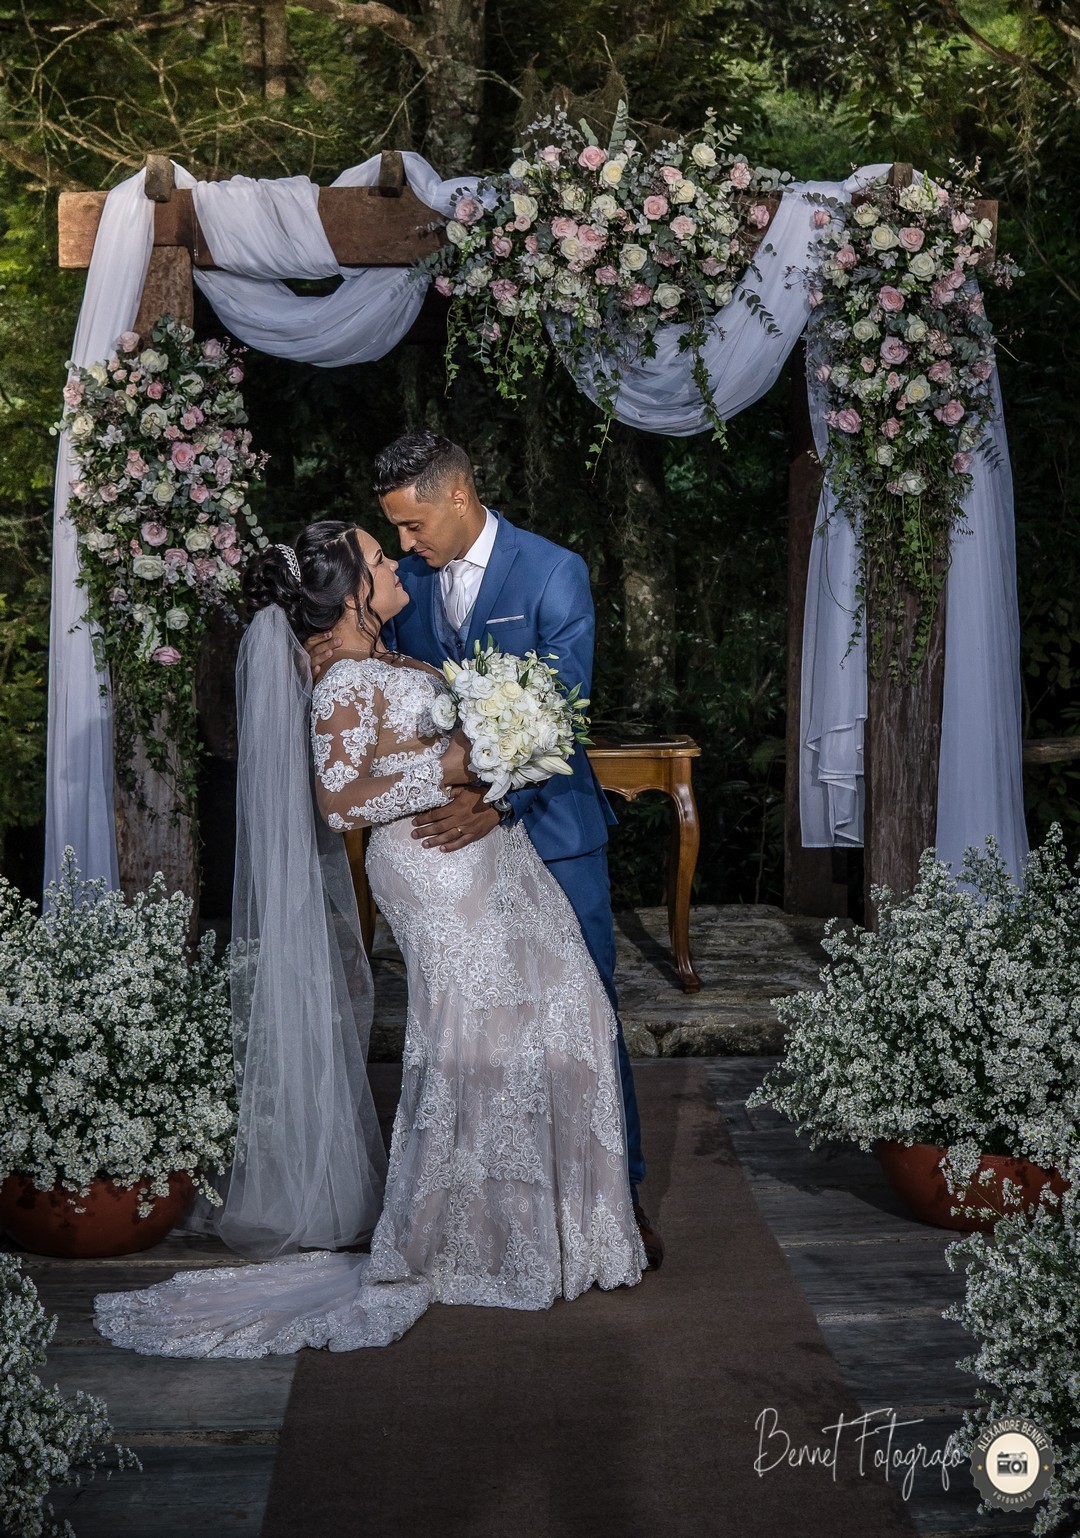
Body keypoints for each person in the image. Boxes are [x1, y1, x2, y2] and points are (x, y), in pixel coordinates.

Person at [92, 520, 646, 1358]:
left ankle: (570, 1231)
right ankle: (470, 1242)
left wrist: (495, 758)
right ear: (351, 594)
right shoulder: (344, 679)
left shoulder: (384, 658)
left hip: (487, 854)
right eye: (380, 561)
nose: (395, 565)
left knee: (568, 1017)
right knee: (477, 1043)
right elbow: (339, 802)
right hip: (432, 869)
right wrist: (456, 766)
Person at [306, 432, 663, 1268]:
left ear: (458, 497)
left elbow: (560, 711)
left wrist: (496, 803)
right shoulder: (407, 589)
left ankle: (619, 1196)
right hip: (453, 853)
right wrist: (454, 789)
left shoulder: (552, 571)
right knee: (488, 1028)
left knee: (585, 1014)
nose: (404, 544)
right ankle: (509, 1205)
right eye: (392, 531)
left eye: (413, 523)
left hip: (553, 832)